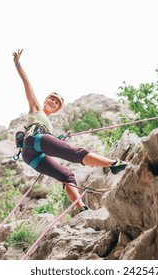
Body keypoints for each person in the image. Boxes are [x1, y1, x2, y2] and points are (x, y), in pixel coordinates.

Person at [13, 49, 127, 212]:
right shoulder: (36, 108)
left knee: (67, 176)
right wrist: (18, 63)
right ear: (45, 100)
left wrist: (60, 138)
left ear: (58, 109)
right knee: (75, 153)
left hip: (31, 155)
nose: (53, 102)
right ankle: (113, 164)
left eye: (57, 102)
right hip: (34, 139)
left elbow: (52, 144)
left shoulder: (49, 125)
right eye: (51, 99)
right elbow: (27, 83)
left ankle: (82, 209)